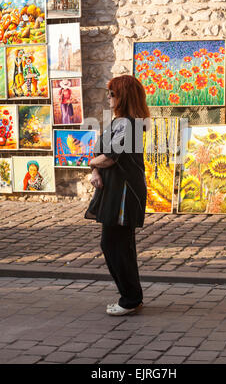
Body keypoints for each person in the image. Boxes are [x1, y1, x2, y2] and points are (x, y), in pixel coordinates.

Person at [85, 75, 150, 316]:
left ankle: (130, 298)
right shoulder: (120, 122)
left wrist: (91, 163)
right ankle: (132, 296)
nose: (109, 98)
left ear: (124, 96)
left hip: (124, 192)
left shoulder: (131, 124)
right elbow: (101, 153)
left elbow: (110, 156)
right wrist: (95, 168)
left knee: (115, 244)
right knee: (117, 244)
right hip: (114, 188)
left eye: (112, 93)